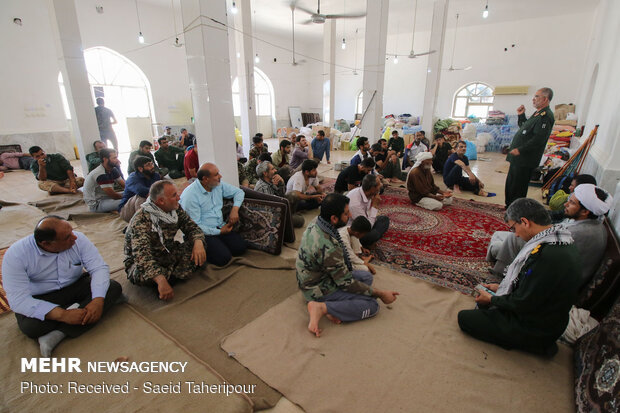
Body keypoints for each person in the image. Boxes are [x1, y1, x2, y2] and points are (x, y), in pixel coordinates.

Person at [458, 198, 581, 356]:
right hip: (549, 320)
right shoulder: (558, 239)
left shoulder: (546, 255)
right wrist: (500, 288)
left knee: (465, 318)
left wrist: (492, 299)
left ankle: (534, 345)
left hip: (536, 328)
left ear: (525, 222)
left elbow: (523, 302)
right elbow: (532, 285)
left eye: (514, 228)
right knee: (489, 304)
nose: (515, 234)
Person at [2, 216, 122, 356]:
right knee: (30, 327)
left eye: (71, 231)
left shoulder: (78, 239)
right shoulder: (16, 255)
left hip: (75, 285)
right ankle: (80, 309)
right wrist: (62, 315)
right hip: (42, 297)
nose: (74, 237)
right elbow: (18, 300)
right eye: (67, 237)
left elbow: (98, 268)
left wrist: (98, 300)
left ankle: (59, 333)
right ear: (46, 244)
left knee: (113, 287)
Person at [296, 193, 399, 337]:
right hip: (317, 289)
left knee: (365, 277)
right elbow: (346, 283)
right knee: (372, 305)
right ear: (334, 218)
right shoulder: (328, 246)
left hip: (317, 278)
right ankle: (322, 307)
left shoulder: (317, 221)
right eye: (346, 213)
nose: (350, 215)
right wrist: (381, 294)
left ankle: (334, 308)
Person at [487, 184, 612, 286]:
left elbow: (544, 251)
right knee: (501, 235)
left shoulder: (582, 233)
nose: (566, 204)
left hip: (555, 279)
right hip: (549, 259)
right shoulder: (590, 223)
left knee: (509, 239)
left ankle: (499, 275)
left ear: (585, 211)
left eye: (572, 203)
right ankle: (499, 254)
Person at [124, 181, 206, 301]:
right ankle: (166, 278)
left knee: (201, 246)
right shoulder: (141, 220)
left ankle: (168, 276)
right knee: (141, 275)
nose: (178, 198)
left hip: (167, 251)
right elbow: (142, 256)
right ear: (161, 201)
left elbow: (192, 228)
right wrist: (160, 279)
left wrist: (198, 243)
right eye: (174, 195)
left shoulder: (174, 209)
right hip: (143, 260)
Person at [180, 163, 247, 266]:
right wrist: (219, 232)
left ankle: (217, 246)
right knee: (223, 259)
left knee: (240, 248)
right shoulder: (190, 196)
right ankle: (195, 249)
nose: (220, 176)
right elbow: (195, 226)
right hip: (202, 233)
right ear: (205, 179)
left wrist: (235, 209)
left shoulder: (217, 185)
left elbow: (239, 192)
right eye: (216, 175)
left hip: (220, 226)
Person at [505, 87, 555, 208]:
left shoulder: (546, 116)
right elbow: (525, 128)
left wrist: (520, 149)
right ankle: (510, 206)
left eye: (537, 96)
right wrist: (521, 116)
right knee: (512, 183)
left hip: (525, 158)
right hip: (519, 157)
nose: (533, 99)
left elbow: (539, 139)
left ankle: (516, 209)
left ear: (545, 99)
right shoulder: (538, 113)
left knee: (518, 185)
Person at [255, 161, 305, 228]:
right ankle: (285, 223)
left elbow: (282, 195)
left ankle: (290, 216)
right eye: (272, 169)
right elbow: (271, 209)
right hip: (271, 217)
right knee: (301, 220)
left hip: (276, 208)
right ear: (265, 173)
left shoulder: (269, 181)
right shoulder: (263, 187)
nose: (275, 170)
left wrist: (281, 183)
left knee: (293, 195)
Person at [347, 174, 390, 248]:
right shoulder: (355, 203)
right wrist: (375, 206)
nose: (381, 185)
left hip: (364, 222)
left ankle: (371, 240)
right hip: (355, 232)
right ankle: (366, 243)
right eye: (379, 184)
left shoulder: (366, 193)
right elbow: (367, 226)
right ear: (373, 188)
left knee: (384, 219)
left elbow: (367, 215)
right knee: (374, 235)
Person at [119, 156, 162, 222]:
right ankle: (139, 224)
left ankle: (153, 221)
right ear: (140, 169)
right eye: (148, 165)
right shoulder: (132, 178)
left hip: (147, 203)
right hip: (127, 210)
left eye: (152, 164)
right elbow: (141, 191)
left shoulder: (155, 175)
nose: (152, 166)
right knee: (142, 197)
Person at [83, 148, 126, 213]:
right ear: (105, 159)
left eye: (116, 157)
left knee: (134, 196)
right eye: (114, 158)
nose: (117, 160)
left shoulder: (113, 169)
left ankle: (112, 208)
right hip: (97, 203)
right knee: (128, 202)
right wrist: (129, 197)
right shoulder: (100, 174)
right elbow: (113, 195)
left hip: (106, 197)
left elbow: (125, 186)